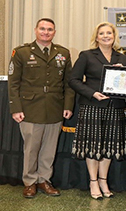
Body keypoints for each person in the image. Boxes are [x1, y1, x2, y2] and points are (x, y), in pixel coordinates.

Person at [8, 18, 75, 198]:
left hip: (55, 107)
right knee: (31, 148)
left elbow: (69, 83)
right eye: (43, 29)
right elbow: (13, 83)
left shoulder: (63, 53)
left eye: (50, 29)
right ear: (35, 30)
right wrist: (16, 108)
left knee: (49, 148)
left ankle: (44, 180)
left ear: (54, 32)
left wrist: (68, 105)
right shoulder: (21, 52)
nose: (46, 32)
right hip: (30, 108)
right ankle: (30, 182)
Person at [69, 22, 126, 200]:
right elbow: (74, 80)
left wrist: (125, 74)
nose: (105, 36)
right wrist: (92, 93)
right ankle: (93, 181)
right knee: (93, 146)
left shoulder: (123, 58)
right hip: (92, 106)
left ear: (114, 36)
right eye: (101, 33)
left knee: (109, 145)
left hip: (115, 107)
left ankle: (103, 180)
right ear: (96, 37)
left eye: (109, 33)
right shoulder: (86, 55)